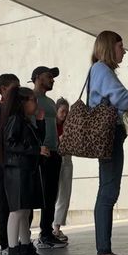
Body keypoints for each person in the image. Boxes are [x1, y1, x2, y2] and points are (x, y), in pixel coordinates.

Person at [89, 30, 128, 255]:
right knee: (107, 193)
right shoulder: (101, 69)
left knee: (109, 191)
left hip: (111, 136)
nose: (124, 51)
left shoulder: (101, 70)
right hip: (108, 136)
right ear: (110, 47)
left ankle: (106, 250)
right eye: (121, 46)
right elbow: (121, 98)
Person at [0, 86, 52, 255]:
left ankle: (26, 248)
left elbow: (35, 141)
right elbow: (10, 143)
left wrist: (41, 123)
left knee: (25, 210)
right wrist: (35, 150)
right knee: (17, 211)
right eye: (32, 100)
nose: (35, 103)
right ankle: (13, 252)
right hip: (17, 170)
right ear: (23, 102)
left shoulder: (24, 120)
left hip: (25, 169)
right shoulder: (15, 119)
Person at [30, 66, 67, 249]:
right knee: (42, 195)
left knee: (52, 195)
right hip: (41, 154)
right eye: (48, 76)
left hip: (55, 152)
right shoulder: (30, 99)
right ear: (38, 78)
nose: (52, 80)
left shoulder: (51, 101)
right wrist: (37, 148)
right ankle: (36, 237)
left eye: (53, 77)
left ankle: (47, 233)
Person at [0, 74, 21, 255]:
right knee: (4, 204)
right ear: (3, 90)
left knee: (20, 206)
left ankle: (19, 243)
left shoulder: (19, 110)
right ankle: (5, 244)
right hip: (2, 163)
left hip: (17, 163)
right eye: (14, 89)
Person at [53, 97, 72, 242]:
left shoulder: (68, 125)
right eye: (62, 111)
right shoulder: (51, 124)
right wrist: (59, 138)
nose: (64, 114)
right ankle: (49, 228)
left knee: (64, 193)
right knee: (52, 194)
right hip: (54, 157)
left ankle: (57, 227)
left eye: (66, 112)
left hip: (66, 158)